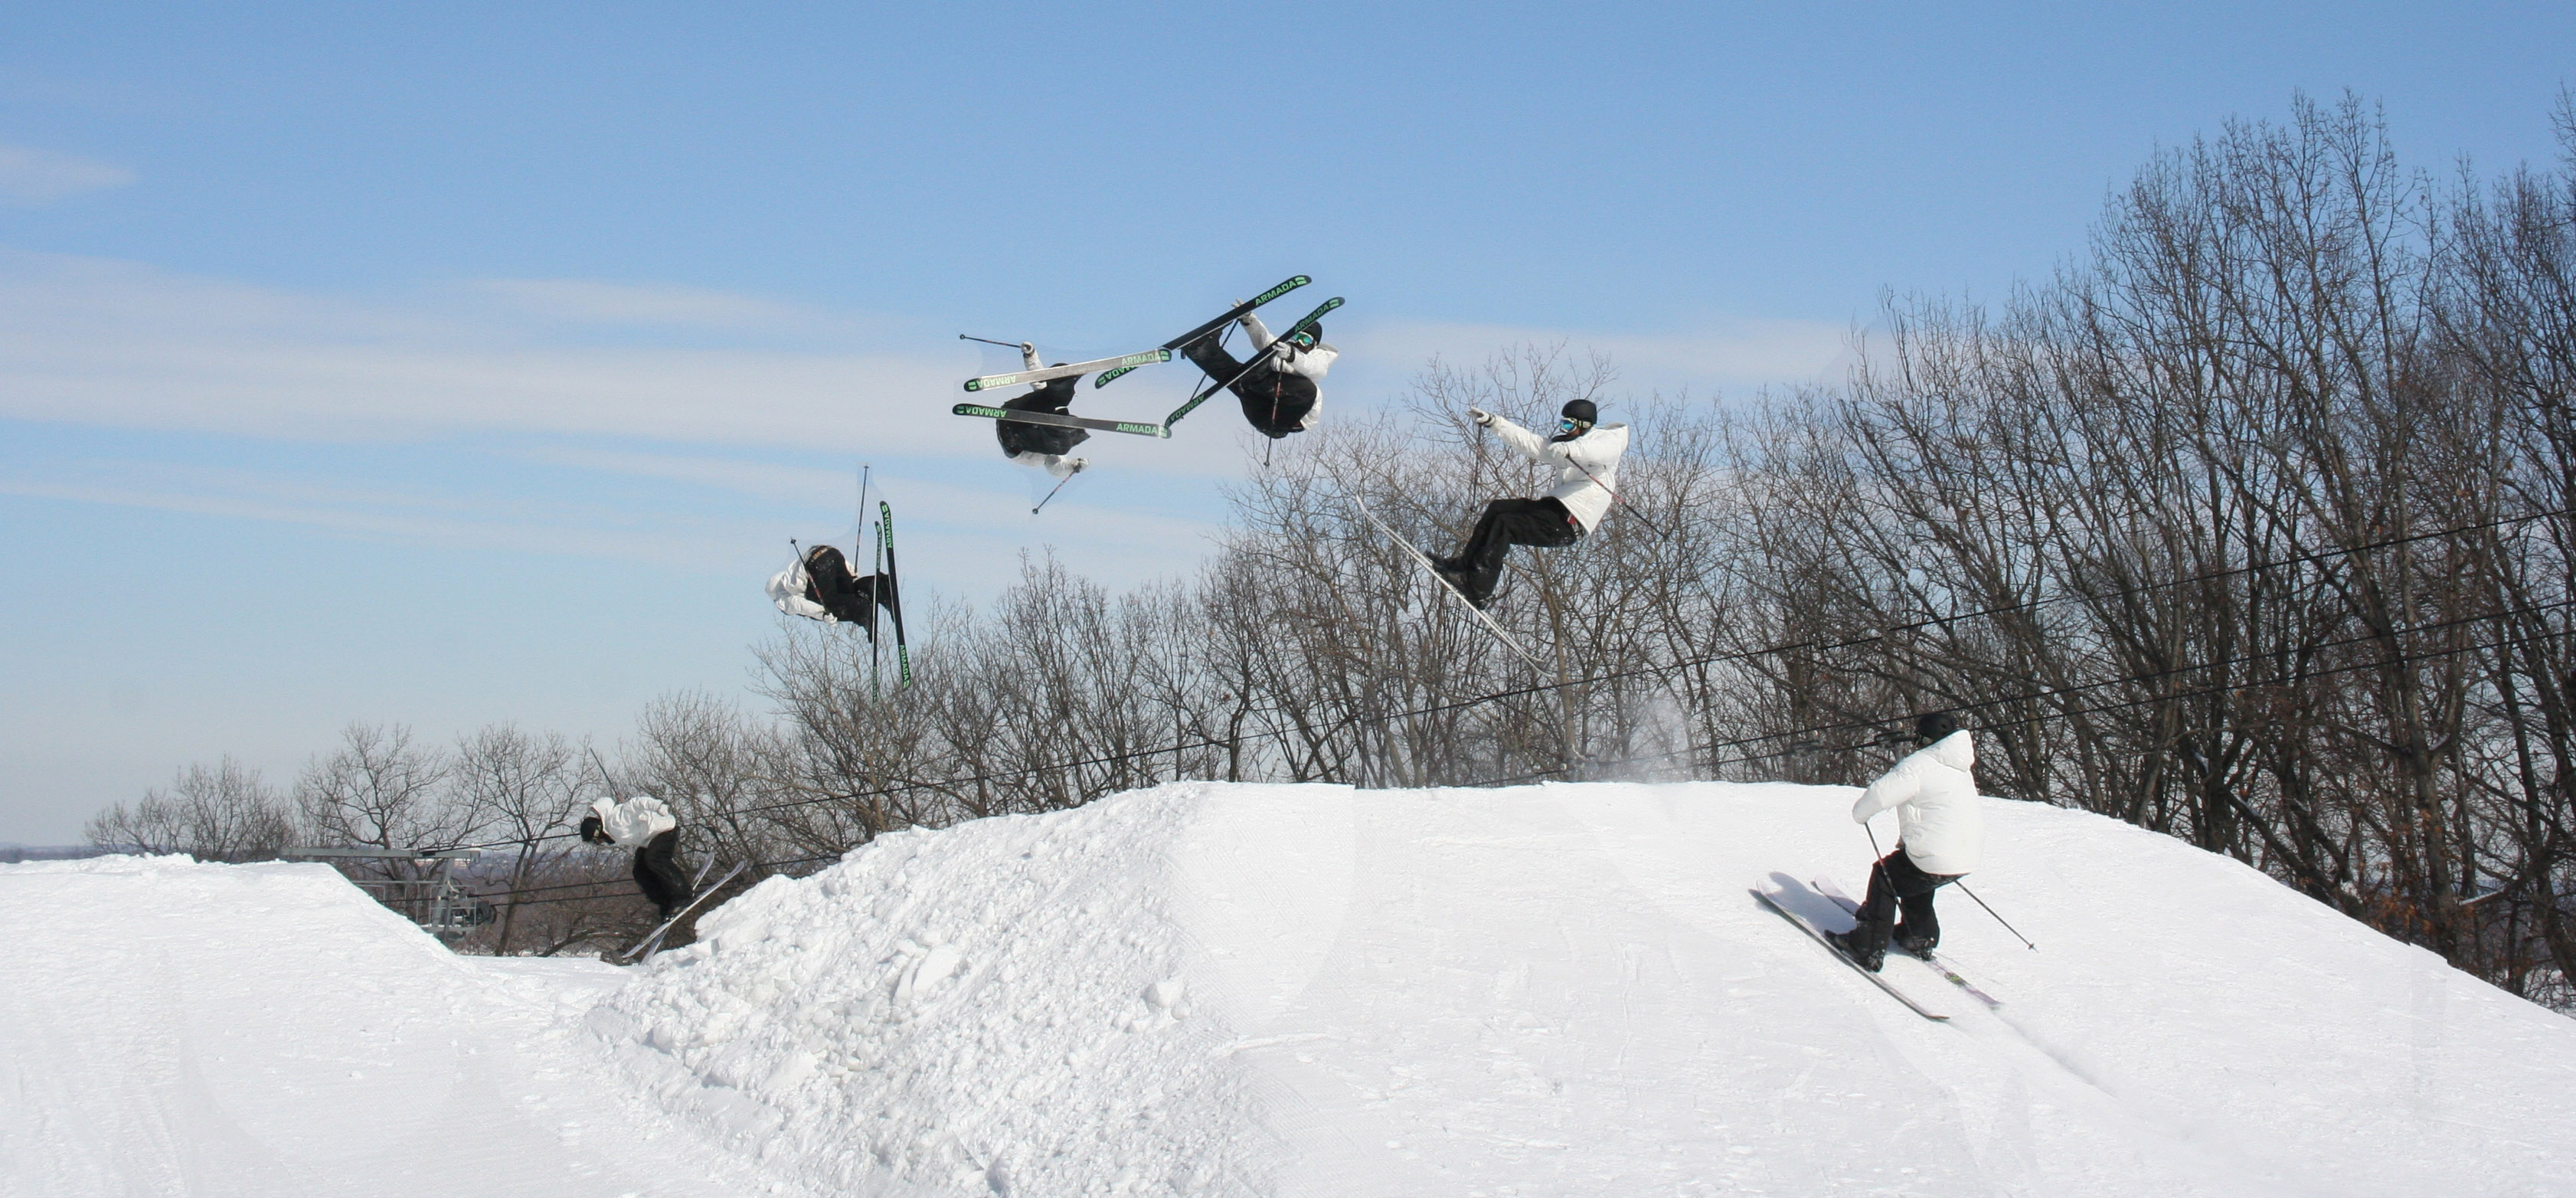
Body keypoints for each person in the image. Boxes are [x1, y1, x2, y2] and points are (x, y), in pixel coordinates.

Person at [1430, 399, 1630, 607]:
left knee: (1506, 524)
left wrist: (1571, 450)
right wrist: (1495, 423)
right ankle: (1465, 567)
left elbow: (1599, 451)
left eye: (1569, 426)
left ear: (1585, 425)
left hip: (1570, 522)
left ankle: (1479, 587)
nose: (1566, 430)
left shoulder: (1607, 441)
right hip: (1555, 509)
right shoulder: (1567, 445)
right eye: (1564, 425)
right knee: (1498, 508)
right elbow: (1533, 444)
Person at [1826, 712, 1986, 972]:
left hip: (1936, 854)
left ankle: (1867, 946)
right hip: (1966, 856)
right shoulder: (1960, 768)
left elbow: (1880, 794)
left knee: (1885, 876)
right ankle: (1919, 936)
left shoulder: (1919, 765)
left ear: (1924, 738)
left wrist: (1860, 814)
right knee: (1915, 876)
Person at [1179, 306, 1338, 438]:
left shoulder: (1317, 358)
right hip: (1260, 410)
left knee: (1308, 388)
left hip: (1287, 419)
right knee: (1248, 372)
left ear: (1314, 345)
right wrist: (1249, 321)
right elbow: (1264, 340)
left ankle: (1244, 380)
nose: (1299, 343)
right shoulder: (1282, 351)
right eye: (1297, 337)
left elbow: (1316, 369)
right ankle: (1202, 350)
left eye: (1306, 340)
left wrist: (1292, 355)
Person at [580, 794, 693, 920]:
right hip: (650, 839)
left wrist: (659, 806)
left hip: (664, 829)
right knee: (640, 871)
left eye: (597, 840)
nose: (601, 843)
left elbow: (637, 803)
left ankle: (682, 896)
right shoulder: (613, 829)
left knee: (655, 859)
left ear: (598, 830)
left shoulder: (615, 819)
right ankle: (665, 902)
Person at [995, 342, 1090, 480]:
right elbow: (1037, 377)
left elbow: (1055, 467)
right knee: (1046, 396)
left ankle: (1057, 425)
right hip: (1012, 417)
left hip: (1020, 448)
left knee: (1060, 444)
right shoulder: (1049, 399)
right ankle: (1061, 389)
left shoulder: (1057, 443)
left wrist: (1073, 466)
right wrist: (1030, 355)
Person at [767, 542, 898, 634]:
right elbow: (850, 575)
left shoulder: (782, 595)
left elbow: (799, 605)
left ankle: (862, 611)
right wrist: (853, 574)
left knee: (828, 604)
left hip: (818, 564)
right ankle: (880, 586)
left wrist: (822, 614)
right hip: (832, 553)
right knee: (850, 590)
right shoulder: (793, 571)